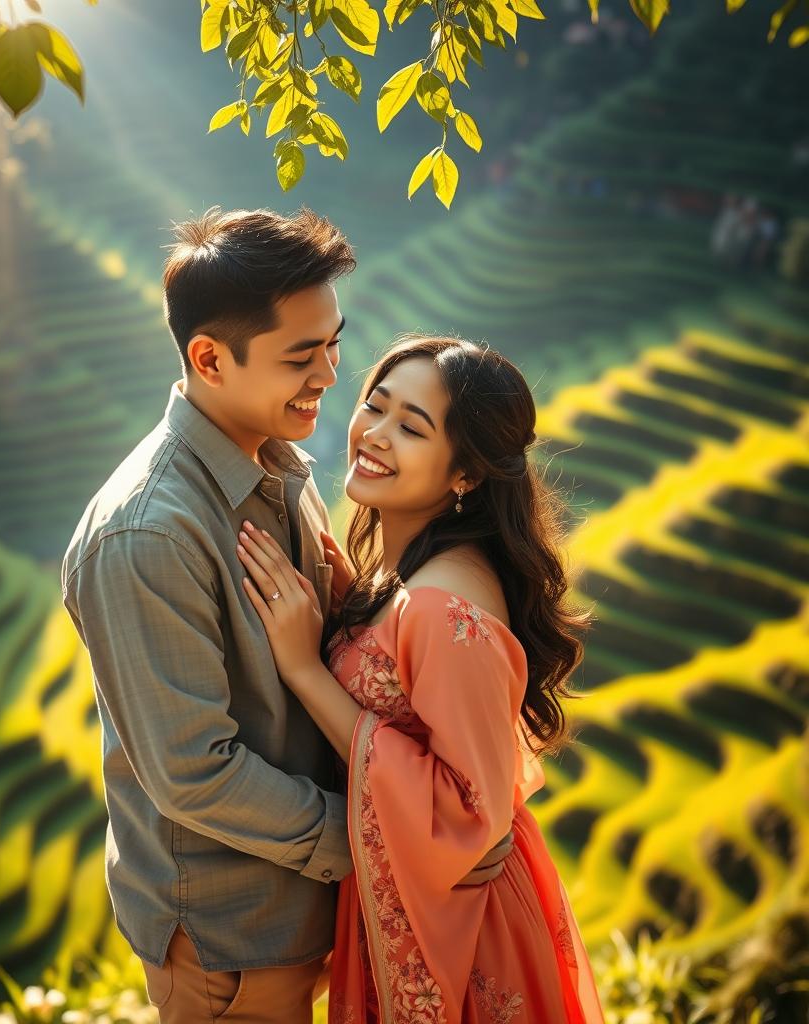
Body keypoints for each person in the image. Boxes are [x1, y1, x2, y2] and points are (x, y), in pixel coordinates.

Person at [61, 210, 512, 1024]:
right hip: (234, 938)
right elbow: (195, 771)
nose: (332, 376)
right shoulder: (148, 534)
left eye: (335, 344)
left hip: (316, 913)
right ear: (208, 357)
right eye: (302, 357)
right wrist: (393, 846)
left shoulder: (278, 463)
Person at [237, 336, 606, 1023]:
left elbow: (466, 809)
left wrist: (303, 668)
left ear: (464, 474)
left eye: (411, 427)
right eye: (375, 408)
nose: (374, 436)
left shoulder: (443, 609)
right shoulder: (408, 576)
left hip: (468, 935)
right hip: (446, 908)